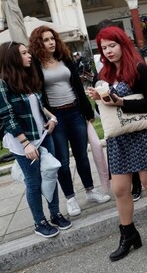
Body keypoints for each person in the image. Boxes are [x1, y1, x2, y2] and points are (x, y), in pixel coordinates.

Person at [87, 26, 147, 261]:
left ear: (122, 44)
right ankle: (129, 234)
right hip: (118, 139)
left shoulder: (137, 68)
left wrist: (120, 102)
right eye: (103, 48)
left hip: (142, 134)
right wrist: (100, 98)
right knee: (120, 189)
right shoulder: (102, 75)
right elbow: (104, 110)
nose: (108, 51)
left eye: (112, 45)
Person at [0, 41, 71, 238]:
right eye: (24, 53)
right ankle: (39, 221)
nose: (29, 56)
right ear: (12, 57)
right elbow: (7, 116)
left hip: (43, 135)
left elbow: (38, 105)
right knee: (33, 182)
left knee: (51, 174)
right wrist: (25, 143)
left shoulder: (25, 76)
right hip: (23, 142)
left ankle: (55, 214)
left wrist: (51, 118)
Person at [29, 26, 111, 218]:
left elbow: (77, 86)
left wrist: (87, 111)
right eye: (46, 40)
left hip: (75, 112)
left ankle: (90, 191)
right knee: (63, 161)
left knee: (82, 155)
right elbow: (36, 95)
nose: (51, 42)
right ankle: (70, 198)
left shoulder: (64, 58)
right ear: (38, 44)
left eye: (52, 39)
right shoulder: (35, 66)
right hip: (56, 118)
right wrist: (46, 118)